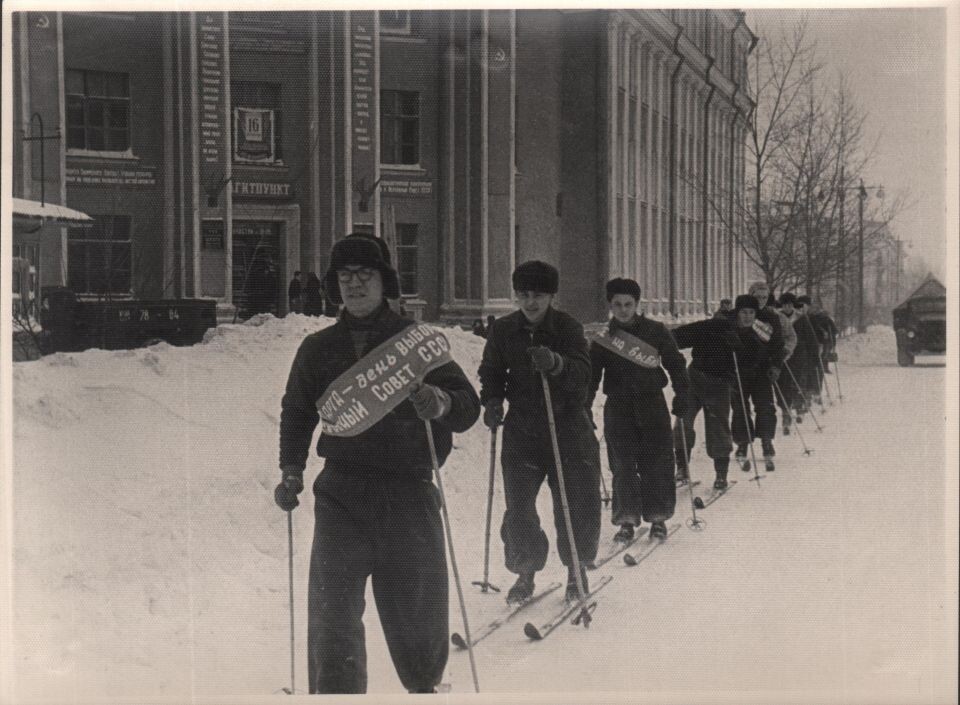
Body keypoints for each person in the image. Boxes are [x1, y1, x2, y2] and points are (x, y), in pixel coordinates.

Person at [274, 233, 481, 694]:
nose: (355, 285)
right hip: (341, 494)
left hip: (407, 490)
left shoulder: (416, 343)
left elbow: (469, 406)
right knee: (332, 612)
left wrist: (442, 401)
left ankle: (425, 689)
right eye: (345, 277)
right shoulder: (317, 348)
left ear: (385, 282)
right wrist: (291, 469)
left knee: (417, 610)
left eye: (365, 275)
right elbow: (297, 412)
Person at [478, 260, 601, 604]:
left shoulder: (568, 328)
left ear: (551, 296)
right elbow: (491, 371)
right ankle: (525, 569)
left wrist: (558, 364)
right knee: (519, 505)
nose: (530, 303)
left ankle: (576, 569)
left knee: (573, 503)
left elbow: (582, 374)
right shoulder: (503, 331)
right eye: (523, 295)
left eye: (538, 295)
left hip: (568, 428)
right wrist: (491, 400)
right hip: (523, 432)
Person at [587, 278, 689, 542]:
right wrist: (584, 407)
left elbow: (676, 364)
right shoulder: (604, 339)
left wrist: (683, 394)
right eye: (617, 305)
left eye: (628, 304)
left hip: (651, 403)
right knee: (622, 464)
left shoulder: (656, 331)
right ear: (610, 305)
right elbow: (591, 376)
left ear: (637, 304)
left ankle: (658, 518)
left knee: (657, 462)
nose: (623, 310)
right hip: (618, 407)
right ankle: (626, 520)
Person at [671, 304, 743, 490]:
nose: (722, 321)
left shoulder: (740, 332)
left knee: (718, 427)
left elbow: (752, 357)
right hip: (694, 379)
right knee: (682, 421)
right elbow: (676, 338)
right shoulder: (705, 327)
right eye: (720, 316)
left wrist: (740, 347)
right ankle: (682, 466)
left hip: (719, 385)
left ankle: (721, 473)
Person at [730, 288, 784, 472]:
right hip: (738, 372)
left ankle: (767, 441)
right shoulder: (731, 323)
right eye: (743, 312)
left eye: (751, 312)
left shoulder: (767, 321)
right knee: (740, 407)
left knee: (765, 406)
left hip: (762, 371)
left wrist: (776, 366)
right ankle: (743, 442)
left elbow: (778, 345)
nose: (747, 316)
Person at [748, 281, 796, 435]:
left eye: (764, 297)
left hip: (772, 363)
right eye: (757, 297)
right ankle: (743, 441)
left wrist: (783, 354)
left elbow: (790, 337)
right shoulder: (744, 314)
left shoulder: (777, 317)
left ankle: (768, 437)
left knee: (772, 399)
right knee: (741, 406)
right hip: (746, 366)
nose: (761, 300)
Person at [790, 295, 822, 414]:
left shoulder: (813, 317)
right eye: (800, 305)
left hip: (808, 352)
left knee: (808, 375)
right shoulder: (796, 317)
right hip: (798, 352)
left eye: (805, 305)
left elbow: (814, 335)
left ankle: (807, 397)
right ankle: (798, 400)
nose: (803, 308)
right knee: (798, 377)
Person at [776, 292, 801, 434]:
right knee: (782, 386)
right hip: (782, 357)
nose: (787, 307)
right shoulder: (777, 318)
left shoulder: (801, 319)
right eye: (785, 304)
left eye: (790, 304)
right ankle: (785, 411)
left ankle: (793, 409)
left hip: (797, 359)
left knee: (793, 385)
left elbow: (808, 338)